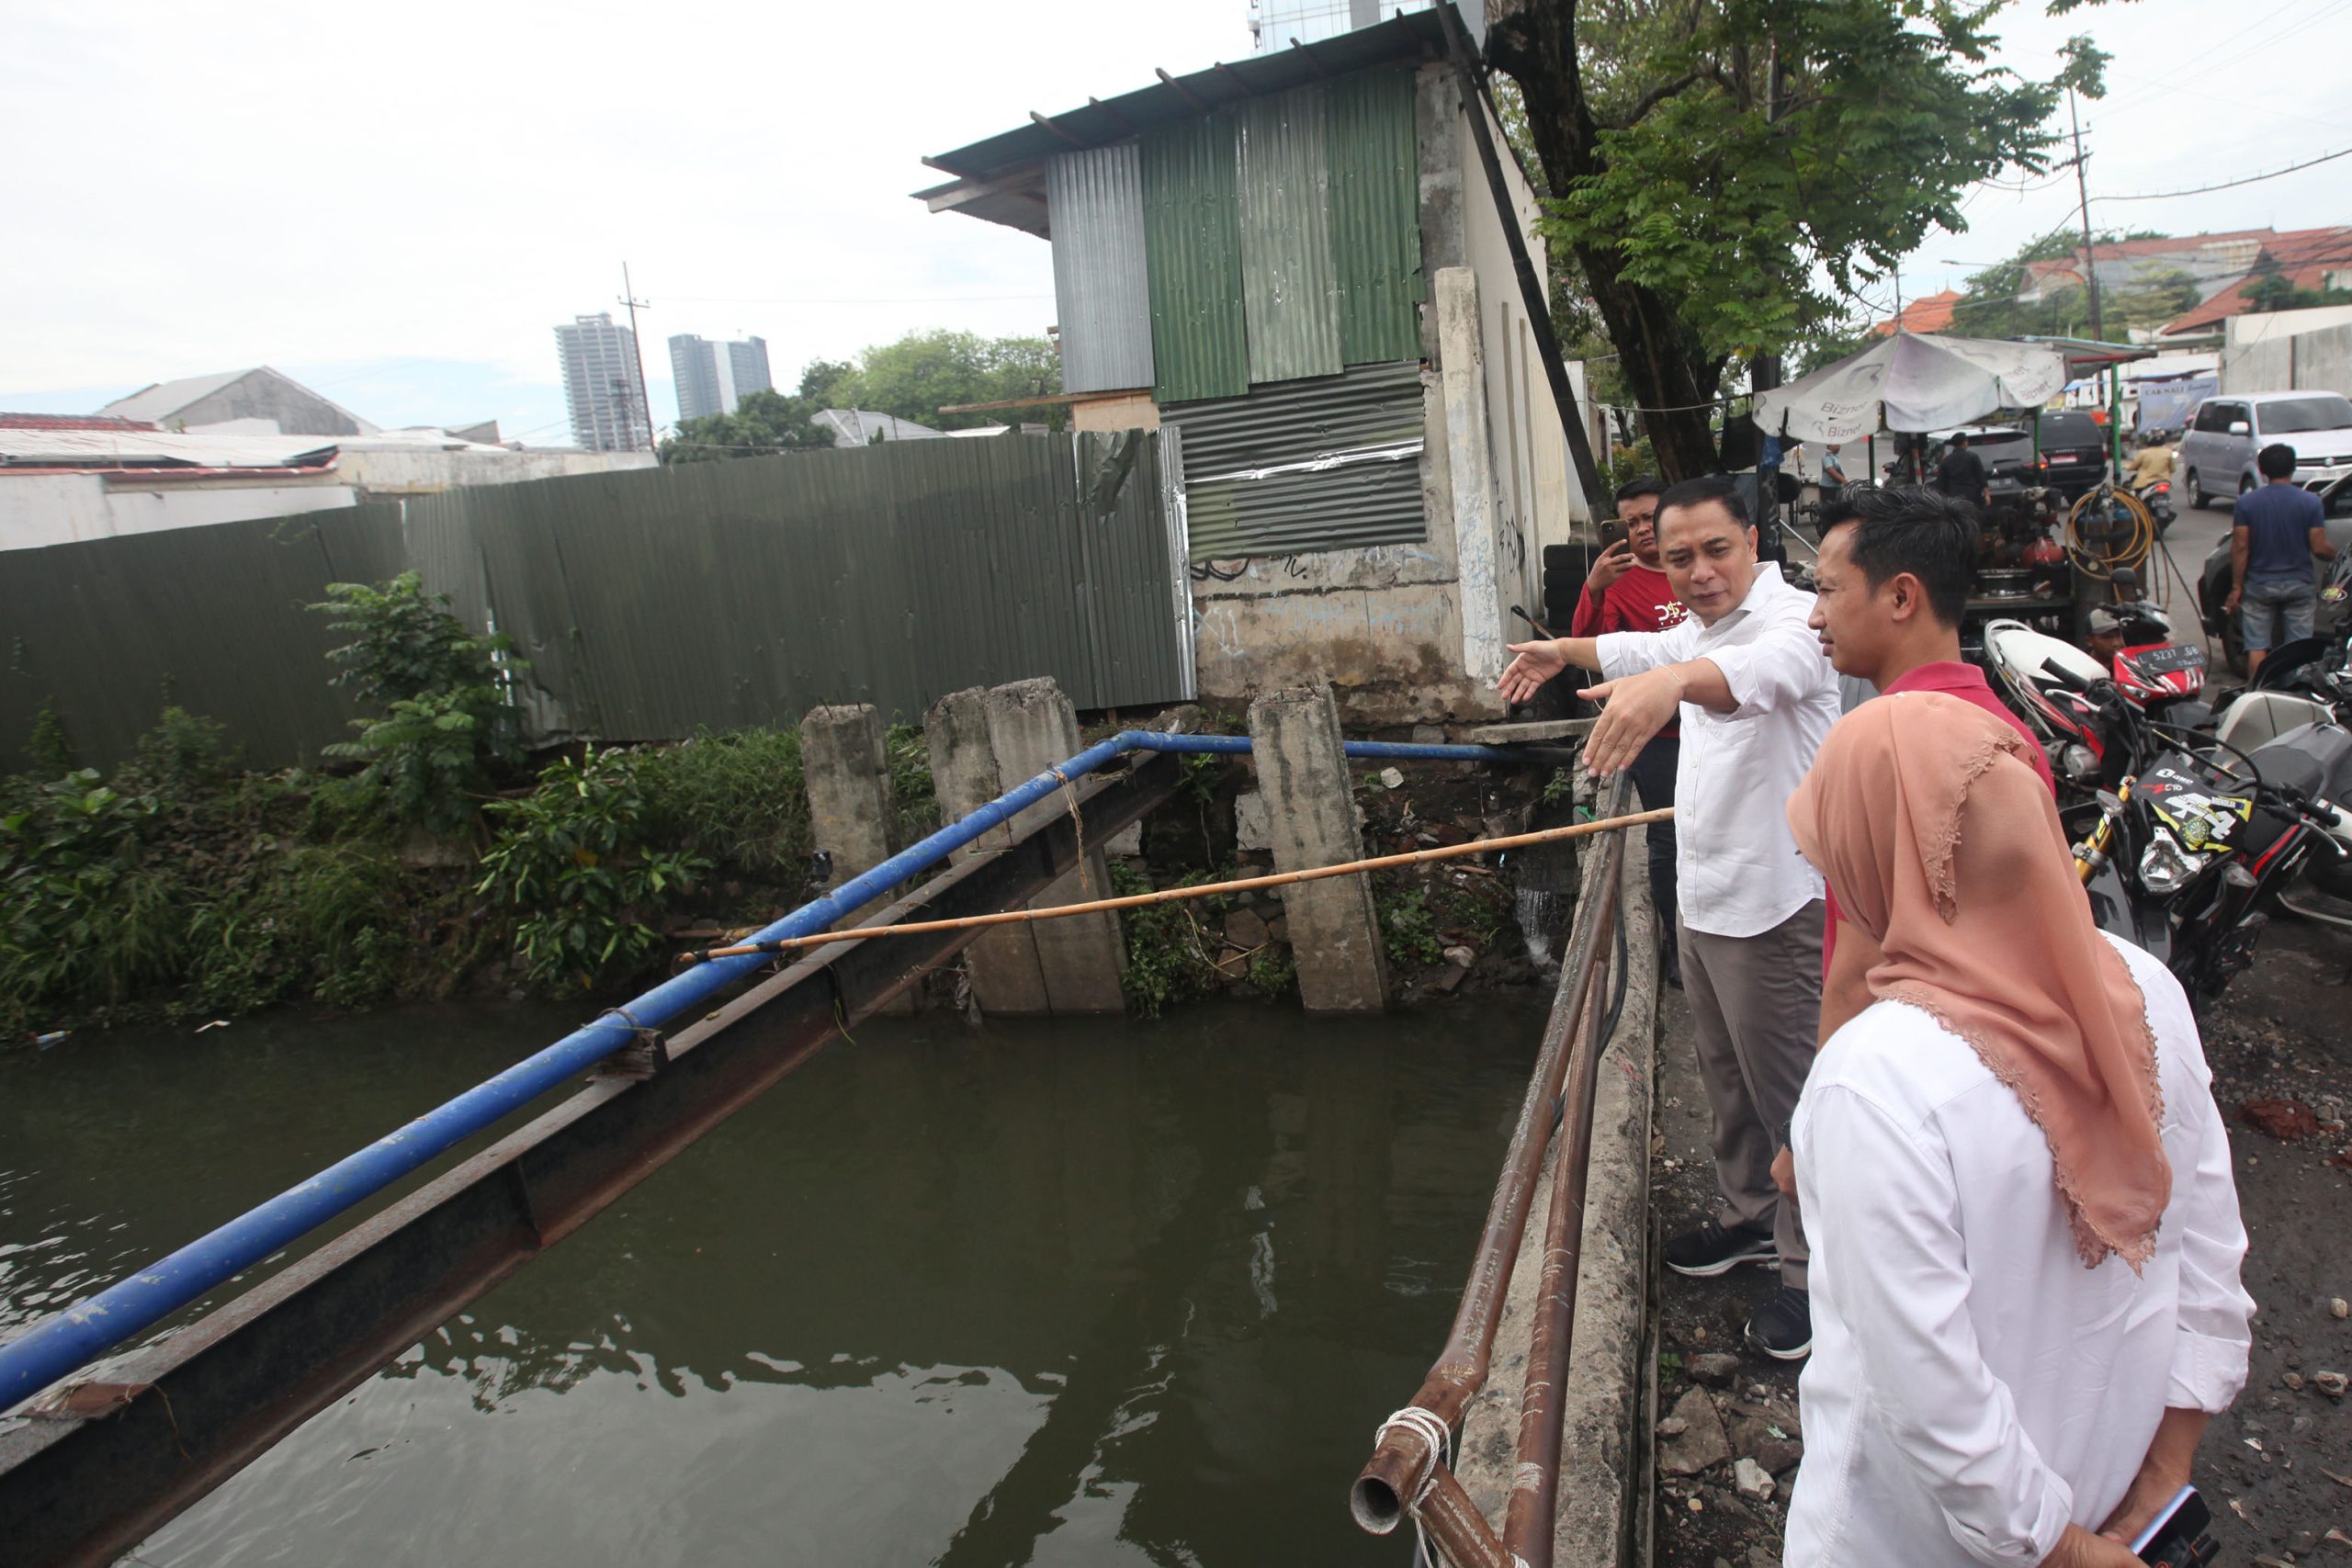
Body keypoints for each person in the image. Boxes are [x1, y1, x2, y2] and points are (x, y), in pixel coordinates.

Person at [1782, 694, 2251, 1568]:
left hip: (1911, 1538)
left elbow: (1928, 1387)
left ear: (1880, 855)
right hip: (2115, 1490)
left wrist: (2060, 1547)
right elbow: (2206, 1249)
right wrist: (2163, 1469)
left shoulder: (1873, 1079)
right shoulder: (2141, 991)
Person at [1498, 476, 1840, 1359]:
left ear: (1753, 541)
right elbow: (1636, 648)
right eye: (1679, 556)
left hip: (1777, 907)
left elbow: (1750, 676)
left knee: (1793, 1100)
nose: (1698, 571)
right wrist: (1560, 651)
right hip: (1708, 896)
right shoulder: (1701, 628)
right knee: (1727, 1082)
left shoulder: (1797, 622)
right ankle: (1751, 1217)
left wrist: (1671, 686)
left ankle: (1815, 1277)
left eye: (1715, 549)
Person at [1804, 486, 2054, 1049]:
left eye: (1827, 590)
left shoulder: (1883, 745)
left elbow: (1859, 975)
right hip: (1992, 1052)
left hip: (1900, 1058)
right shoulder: (2011, 734)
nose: (1815, 616)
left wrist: (1818, 1100)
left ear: (1901, 597)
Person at [1570, 474, 1688, 981]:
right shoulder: (1618, 583)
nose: (1641, 529)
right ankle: (1679, 945)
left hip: (1718, 721)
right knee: (1668, 837)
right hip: (1658, 736)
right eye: (1631, 521)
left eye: (1649, 517)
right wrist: (1594, 589)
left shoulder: (1698, 571)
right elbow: (1589, 647)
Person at [2225, 442, 2338, 680]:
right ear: (2293, 468)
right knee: (2298, 649)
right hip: (2300, 584)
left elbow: (2241, 547)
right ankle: (2294, 694)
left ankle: (2257, 692)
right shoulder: (2311, 502)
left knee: (2257, 646)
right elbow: (2319, 548)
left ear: (2262, 469)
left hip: (2259, 585)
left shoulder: (2246, 503)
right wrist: (2340, 556)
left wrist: (2237, 587)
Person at [1932, 431, 1989, 512]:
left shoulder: (1946, 461)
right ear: (1964, 443)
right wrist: (1987, 494)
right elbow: (1981, 477)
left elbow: (1941, 482)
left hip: (1954, 498)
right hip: (1972, 496)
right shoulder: (1973, 457)